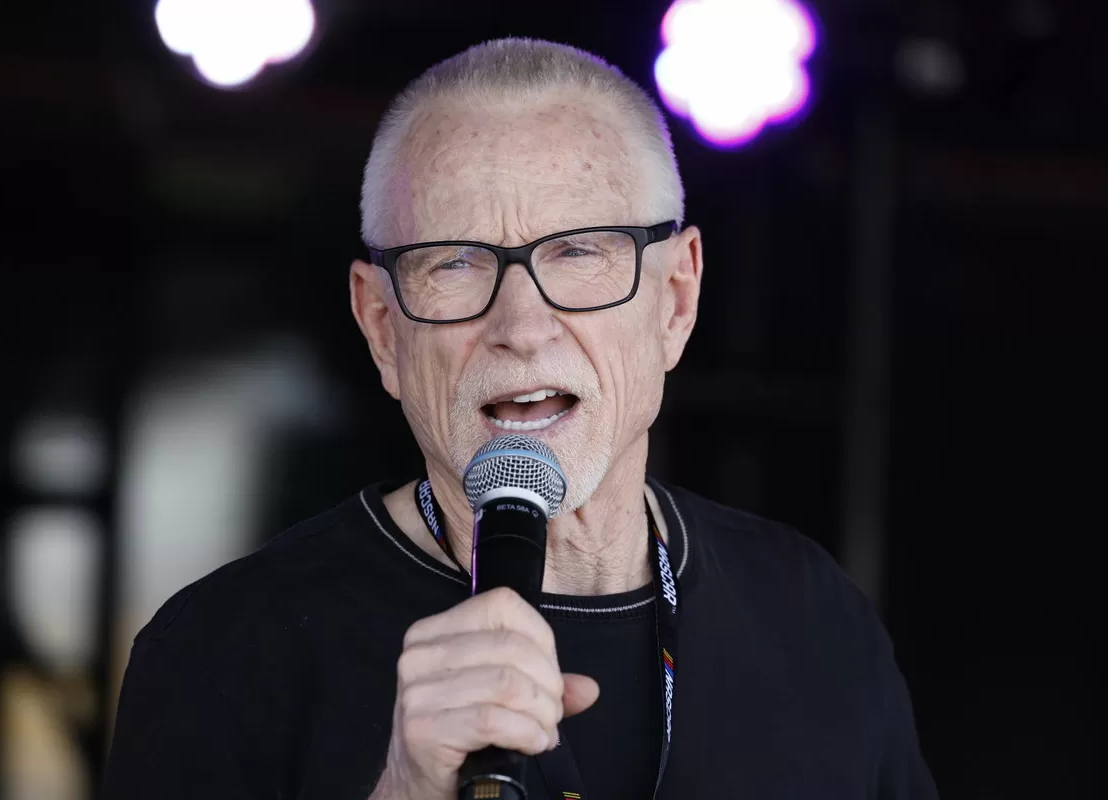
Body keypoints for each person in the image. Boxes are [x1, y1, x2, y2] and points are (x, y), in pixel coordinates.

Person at [103, 38, 938, 800]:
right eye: (455, 264)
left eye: (579, 251)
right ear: (382, 328)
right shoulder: (224, 654)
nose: (522, 326)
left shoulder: (811, 615)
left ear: (676, 301)